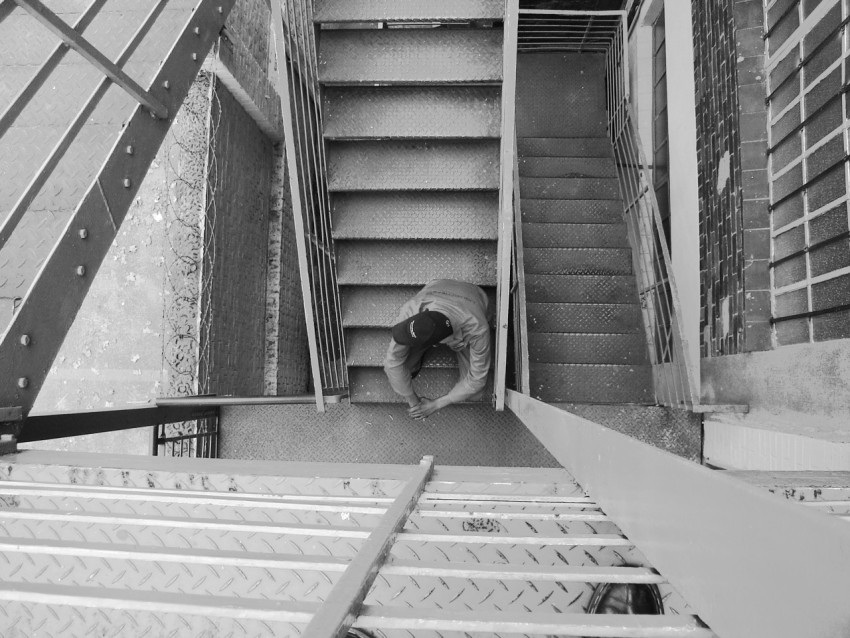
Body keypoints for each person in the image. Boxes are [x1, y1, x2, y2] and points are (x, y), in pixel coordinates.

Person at [383, 279, 491, 420]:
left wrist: (436, 405)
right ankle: (423, 346)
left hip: (475, 297)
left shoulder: (478, 330)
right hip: (438, 286)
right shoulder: (411, 311)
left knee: (476, 394)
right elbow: (392, 362)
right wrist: (413, 402)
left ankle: (431, 346)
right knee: (402, 369)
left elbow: (477, 380)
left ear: (437, 344)